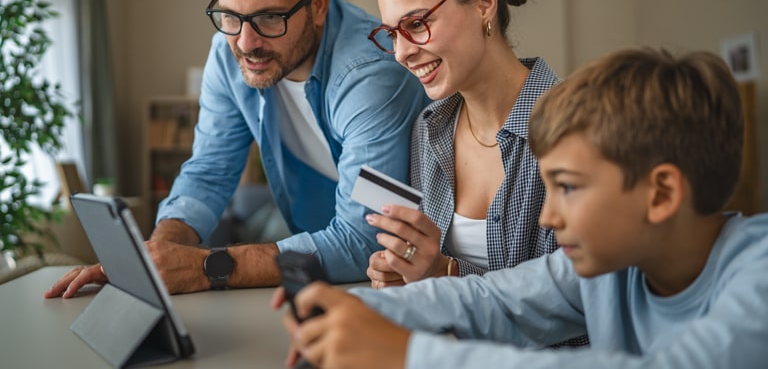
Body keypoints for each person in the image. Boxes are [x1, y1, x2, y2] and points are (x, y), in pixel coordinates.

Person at [275, 47, 768, 368]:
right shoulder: (614, 263)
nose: (547, 217)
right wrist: (352, 307)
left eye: (568, 188)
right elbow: (491, 300)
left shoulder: (758, 276)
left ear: (661, 194)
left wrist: (407, 354)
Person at [44, 0, 428, 298]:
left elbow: (365, 239)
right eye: (230, 15)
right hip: (315, 270)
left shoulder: (371, 74)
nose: (245, 43)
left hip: (401, 276)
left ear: (318, 5)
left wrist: (207, 266)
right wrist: (158, 254)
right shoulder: (228, 56)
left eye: (268, 17)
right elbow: (210, 171)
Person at [363, 0, 557, 288]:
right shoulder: (429, 127)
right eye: (392, 34)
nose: (401, 53)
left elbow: (581, 299)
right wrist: (406, 272)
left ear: (484, 3)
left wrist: (444, 272)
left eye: (417, 23)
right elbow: (428, 272)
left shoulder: (575, 126)